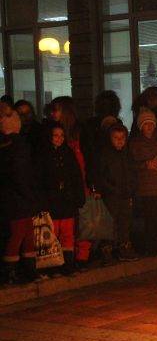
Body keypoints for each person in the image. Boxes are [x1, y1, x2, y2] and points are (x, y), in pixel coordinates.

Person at [49, 96, 94, 269]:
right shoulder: (55, 132)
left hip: (80, 183)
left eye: (57, 110)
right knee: (67, 223)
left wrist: (90, 182)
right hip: (65, 186)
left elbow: (89, 158)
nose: (54, 113)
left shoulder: (80, 132)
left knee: (83, 221)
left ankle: (82, 255)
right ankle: (67, 257)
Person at [36, 123, 86, 276]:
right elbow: (39, 179)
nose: (59, 139)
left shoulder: (68, 153)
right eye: (55, 135)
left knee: (67, 234)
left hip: (67, 201)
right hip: (51, 202)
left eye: (61, 136)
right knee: (53, 233)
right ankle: (53, 266)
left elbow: (76, 176)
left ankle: (67, 264)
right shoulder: (43, 155)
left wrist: (78, 197)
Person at [1, 108, 40, 284]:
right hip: (19, 197)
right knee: (20, 234)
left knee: (24, 233)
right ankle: (16, 271)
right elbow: (21, 173)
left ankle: (24, 269)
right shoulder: (18, 145)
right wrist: (30, 195)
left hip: (10, 196)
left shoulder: (7, 144)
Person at [131, 108, 157, 256]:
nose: (149, 126)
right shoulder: (135, 144)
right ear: (141, 126)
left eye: (151, 123)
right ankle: (150, 247)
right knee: (149, 218)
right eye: (146, 124)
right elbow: (131, 164)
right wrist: (146, 165)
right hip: (146, 187)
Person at [99, 124, 138, 262]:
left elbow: (133, 172)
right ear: (110, 138)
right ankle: (107, 249)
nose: (119, 141)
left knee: (125, 221)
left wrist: (132, 188)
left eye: (122, 138)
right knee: (110, 222)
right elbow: (101, 175)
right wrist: (109, 188)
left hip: (126, 194)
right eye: (116, 138)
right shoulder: (105, 154)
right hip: (111, 194)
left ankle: (124, 247)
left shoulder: (127, 154)